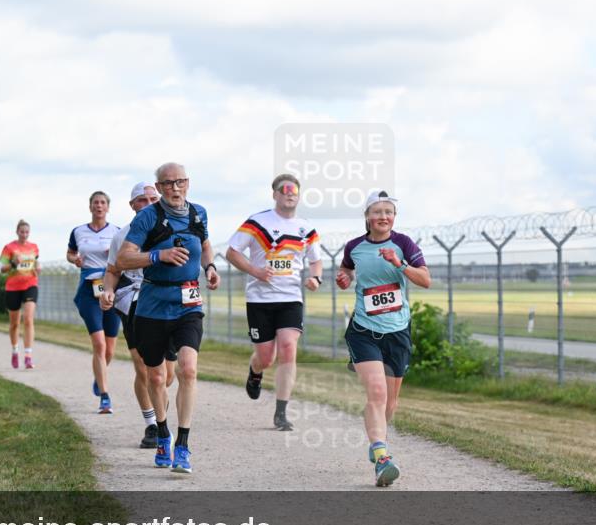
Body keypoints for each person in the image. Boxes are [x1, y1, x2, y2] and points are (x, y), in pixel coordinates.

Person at [115, 163, 220, 473]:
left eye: (181, 182)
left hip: (188, 302)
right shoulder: (148, 217)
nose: (176, 188)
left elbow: (203, 243)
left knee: (188, 369)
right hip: (152, 305)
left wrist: (210, 267)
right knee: (157, 377)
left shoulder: (198, 213)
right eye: (169, 183)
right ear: (158, 187)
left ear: (188, 183)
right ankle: (162, 432)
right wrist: (158, 256)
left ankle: (183, 445)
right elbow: (123, 258)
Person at [336, 190, 430, 487]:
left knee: (390, 402)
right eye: (377, 212)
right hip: (364, 330)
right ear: (367, 217)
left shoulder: (403, 244)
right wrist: (344, 279)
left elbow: (426, 280)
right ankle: (382, 457)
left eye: (388, 212)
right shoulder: (354, 247)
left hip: (398, 330)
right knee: (376, 393)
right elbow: (347, 271)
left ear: (394, 217)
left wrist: (399, 264)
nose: (383, 217)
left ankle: (377, 441)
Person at [226, 173, 322, 430]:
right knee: (266, 357)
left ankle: (281, 412)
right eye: (285, 189)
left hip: (290, 298)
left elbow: (316, 261)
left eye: (294, 190)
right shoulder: (258, 223)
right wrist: (255, 271)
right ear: (275, 194)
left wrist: (315, 278)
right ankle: (255, 371)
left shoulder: (306, 228)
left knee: (289, 347)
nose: (290, 193)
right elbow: (232, 252)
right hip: (259, 299)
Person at [101, 182, 177, 449]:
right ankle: (153, 425)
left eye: (153, 198)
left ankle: (160, 416)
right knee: (144, 368)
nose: (149, 203)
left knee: (167, 375)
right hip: (133, 301)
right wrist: (107, 291)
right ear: (132, 206)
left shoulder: (172, 229)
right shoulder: (122, 236)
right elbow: (111, 271)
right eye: (142, 200)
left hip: (166, 302)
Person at [67, 191, 123, 413]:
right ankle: (105, 396)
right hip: (89, 291)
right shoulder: (79, 231)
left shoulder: (117, 232)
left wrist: (115, 256)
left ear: (108, 207)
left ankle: (98, 378)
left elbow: (127, 256)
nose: (99, 206)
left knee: (109, 349)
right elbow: (70, 253)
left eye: (102, 203)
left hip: (111, 290)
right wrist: (75, 260)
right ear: (90, 207)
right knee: (99, 344)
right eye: (95, 203)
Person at [0, 219, 40, 369]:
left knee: (28, 319)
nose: (24, 235)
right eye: (22, 232)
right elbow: (1, 269)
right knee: (14, 323)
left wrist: (38, 267)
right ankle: (15, 350)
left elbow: (35, 263)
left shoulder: (34, 247)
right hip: (13, 287)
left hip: (30, 284)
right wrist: (12, 264)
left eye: (27, 232)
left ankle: (28, 356)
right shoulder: (9, 247)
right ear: (17, 232)